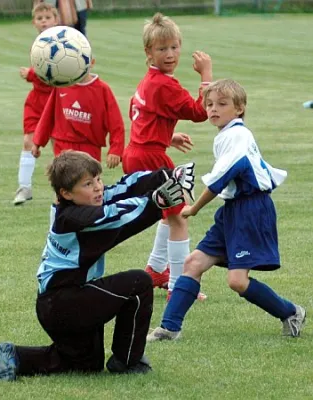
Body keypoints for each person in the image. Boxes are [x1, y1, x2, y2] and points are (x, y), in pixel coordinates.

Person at [0, 150, 196, 380]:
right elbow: (116, 216)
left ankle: (16, 356)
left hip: (55, 303)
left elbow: (125, 186)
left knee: (86, 364)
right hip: (62, 302)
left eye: (98, 179)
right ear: (66, 193)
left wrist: (167, 175)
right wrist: (155, 201)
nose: (98, 187)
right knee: (138, 283)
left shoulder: (85, 202)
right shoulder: (75, 218)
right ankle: (127, 361)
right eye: (88, 184)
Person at [147, 79, 306, 342]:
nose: (213, 109)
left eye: (222, 104)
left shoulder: (238, 135)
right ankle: (169, 328)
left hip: (252, 210)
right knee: (193, 263)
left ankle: (291, 312)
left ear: (240, 108)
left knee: (237, 281)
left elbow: (224, 176)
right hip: (233, 210)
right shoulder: (227, 134)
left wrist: (194, 208)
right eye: (209, 104)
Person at [122, 12, 212, 301]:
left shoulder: (149, 80)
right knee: (180, 217)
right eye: (162, 49)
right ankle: (178, 285)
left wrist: (165, 136)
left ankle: (157, 270)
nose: (170, 54)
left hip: (137, 151)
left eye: (174, 47)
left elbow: (136, 111)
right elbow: (200, 113)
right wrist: (206, 75)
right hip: (150, 158)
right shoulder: (165, 84)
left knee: (169, 214)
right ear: (149, 53)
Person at [31, 61, 124, 169]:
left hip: (90, 148)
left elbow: (116, 123)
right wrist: (37, 142)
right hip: (63, 146)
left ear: (92, 62)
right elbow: (48, 116)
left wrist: (115, 149)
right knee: (65, 181)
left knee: (87, 182)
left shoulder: (102, 89)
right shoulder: (62, 84)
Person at [13, 3, 58, 206]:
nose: (44, 22)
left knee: (61, 146)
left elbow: (51, 75)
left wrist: (30, 74)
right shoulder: (37, 44)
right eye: (40, 19)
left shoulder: (61, 43)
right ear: (34, 23)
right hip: (36, 102)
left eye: (47, 18)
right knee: (28, 142)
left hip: (56, 100)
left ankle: (64, 189)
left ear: (56, 20)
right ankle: (24, 187)